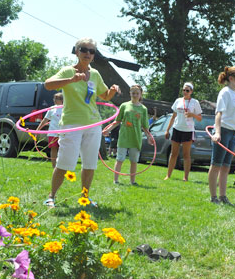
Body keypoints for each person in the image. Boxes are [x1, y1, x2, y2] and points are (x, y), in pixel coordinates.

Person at [42, 37, 120, 207]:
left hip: (93, 124)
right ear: (77, 52)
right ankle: (51, 196)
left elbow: (104, 96)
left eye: (92, 51)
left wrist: (113, 90)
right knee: (64, 162)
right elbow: (47, 85)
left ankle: (85, 197)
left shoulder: (95, 74)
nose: (88, 53)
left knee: (90, 163)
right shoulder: (67, 71)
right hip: (71, 123)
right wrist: (71, 80)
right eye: (84, 49)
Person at [208, 68, 235, 204]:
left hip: (233, 133)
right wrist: (218, 133)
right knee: (216, 164)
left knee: (226, 166)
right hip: (224, 132)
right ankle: (213, 197)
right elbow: (219, 114)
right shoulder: (225, 93)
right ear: (231, 78)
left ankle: (223, 196)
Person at [103, 85, 153, 185]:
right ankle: (116, 180)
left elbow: (145, 126)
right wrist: (107, 129)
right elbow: (117, 121)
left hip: (136, 137)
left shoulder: (143, 109)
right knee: (120, 158)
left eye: (137, 93)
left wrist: (149, 137)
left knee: (134, 160)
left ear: (140, 94)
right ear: (130, 93)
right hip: (124, 137)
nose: (135, 95)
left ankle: (132, 181)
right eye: (133, 93)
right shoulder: (124, 105)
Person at [163, 82, 202, 182]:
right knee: (173, 153)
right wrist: (167, 130)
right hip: (177, 129)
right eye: (184, 90)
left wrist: (192, 114)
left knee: (186, 154)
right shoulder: (178, 101)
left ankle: (185, 177)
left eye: (187, 90)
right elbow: (173, 116)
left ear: (191, 92)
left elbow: (200, 118)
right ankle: (168, 175)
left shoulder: (195, 102)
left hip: (188, 131)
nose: (185, 92)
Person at [36, 92, 64, 168]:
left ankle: (62, 165)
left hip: (63, 132)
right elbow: (45, 120)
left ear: (62, 100)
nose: (54, 100)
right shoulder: (52, 109)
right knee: (53, 148)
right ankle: (54, 166)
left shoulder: (66, 108)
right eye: (54, 98)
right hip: (53, 132)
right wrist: (37, 130)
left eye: (56, 98)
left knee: (63, 149)